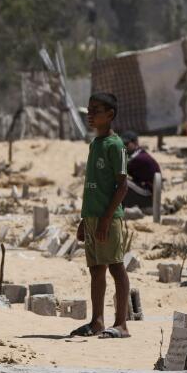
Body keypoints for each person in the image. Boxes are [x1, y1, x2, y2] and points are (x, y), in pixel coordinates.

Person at [70, 92, 131, 339]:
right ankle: (96, 321)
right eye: (88, 110)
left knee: (116, 266)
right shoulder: (95, 144)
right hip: (93, 216)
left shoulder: (115, 145)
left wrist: (106, 219)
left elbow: (122, 185)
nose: (90, 115)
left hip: (109, 217)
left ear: (110, 114)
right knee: (96, 269)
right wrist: (85, 219)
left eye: (96, 110)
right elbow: (92, 184)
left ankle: (122, 324)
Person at [120, 131, 161, 211]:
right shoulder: (138, 153)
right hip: (147, 190)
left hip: (148, 194)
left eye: (126, 144)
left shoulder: (137, 157)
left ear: (135, 143)